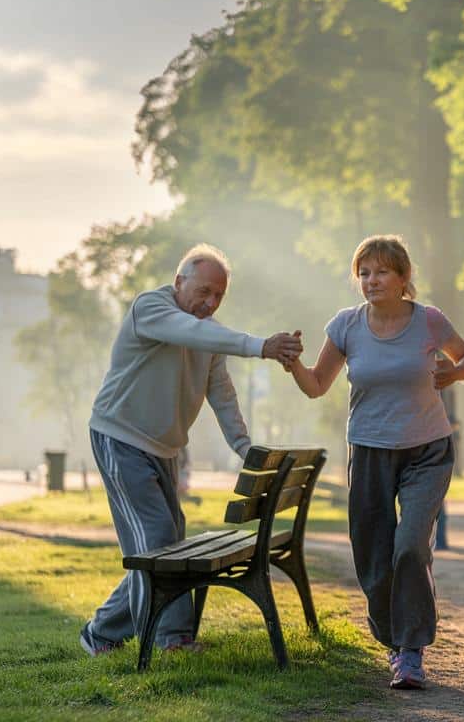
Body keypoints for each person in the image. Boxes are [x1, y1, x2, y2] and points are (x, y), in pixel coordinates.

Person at [79, 243, 303, 657]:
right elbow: (189, 331)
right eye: (204, 291)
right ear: (179, 281)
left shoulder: (209, 334)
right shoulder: (151, 308)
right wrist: (260, 346)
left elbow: (222, 394)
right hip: (121, 437)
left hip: (165, 448)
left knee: (165, 549)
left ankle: (102, 632)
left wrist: (244, 447)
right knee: (158, 544)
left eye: (219, 295)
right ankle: (173, 640)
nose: (210, 303)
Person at [286, 235, 464, 690]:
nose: (371, 281)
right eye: (364, 273)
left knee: (410, 544)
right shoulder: (346, 326)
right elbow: (316, 385)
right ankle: (394, 640)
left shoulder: (429, 320)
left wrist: (454, 373)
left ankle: (411, 650)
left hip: (427, 449)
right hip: (370, 450)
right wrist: (293, 363)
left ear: (403, 277)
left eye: (382, 272)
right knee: (373, 554)